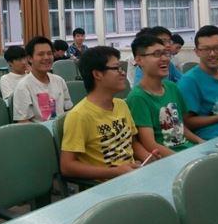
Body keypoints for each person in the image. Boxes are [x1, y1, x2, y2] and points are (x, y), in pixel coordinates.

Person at [60, 46, 155, 181]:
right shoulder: (79, 115)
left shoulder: (121, 105)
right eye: (116, 68)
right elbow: (67, 166)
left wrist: (149, 158)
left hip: (132, 176)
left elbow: (133, 143)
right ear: (97, 74)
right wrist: (114, 172)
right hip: (106, 185)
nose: (123, 73)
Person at [127, 36, 203, 156]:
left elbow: (180, 127)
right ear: (139, 60)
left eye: (166, 53)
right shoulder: (138, 97)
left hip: (188, 151)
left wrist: (201, 142)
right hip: (168, 158)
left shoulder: (172, 87)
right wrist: (180, 158)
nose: (165, 59)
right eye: (157, 54)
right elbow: (150, 144)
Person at [13, 36, 73, 122]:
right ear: (30, 58)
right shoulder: (23, 87)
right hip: (38, 130)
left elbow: (69, 110)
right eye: (41, 54)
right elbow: (23, 122)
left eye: (49, 53)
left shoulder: (59, 81)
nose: (46, 57)